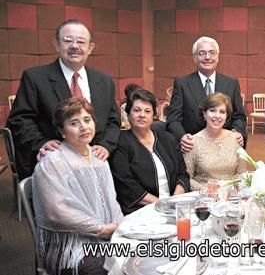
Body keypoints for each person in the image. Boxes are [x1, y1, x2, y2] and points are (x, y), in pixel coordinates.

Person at [6, 19, 120, 180]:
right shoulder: (35, 78)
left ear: (90, 48)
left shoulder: (104, 81)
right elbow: (19, 119)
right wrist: (40, 143)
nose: (74, 46)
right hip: (55, 164)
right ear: (57, 44)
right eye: (68, 40)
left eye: (81, 41)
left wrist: (105, 146)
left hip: (98, 162)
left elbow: (113, 121)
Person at [32, 98, 123, 275]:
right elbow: (57, 212)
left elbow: (111, 201)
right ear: (61, 131)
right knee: (106, 268)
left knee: (142, 254)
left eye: (87, 120)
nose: (83, 127)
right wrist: (102, 230)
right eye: (74, 123)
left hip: (107, 233)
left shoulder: (98, 156)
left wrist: (119, 227)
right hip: (68, 243)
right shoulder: (52, 161)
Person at [109, 89, 190, 214]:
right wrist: (162, 204)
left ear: (154, 115)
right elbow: (126, 184)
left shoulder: (168, 139)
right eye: (137, 110)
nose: (142, 115)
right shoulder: (121, 142)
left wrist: (173, 201)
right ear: (128, 113)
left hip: (174, 207)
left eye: (147, 111)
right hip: (141, 211)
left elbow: (183, 174)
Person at [166, 36, 247, 153]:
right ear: (194, 57)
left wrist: (237, 131)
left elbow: (239, 116)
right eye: (202, 53)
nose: (207, 57)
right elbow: (173, 119)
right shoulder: (182, 84)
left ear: (217, 57)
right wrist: (182, 137)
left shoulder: (232, 83)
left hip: (224, 147)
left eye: (212, 53)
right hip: (193, 147)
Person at [184, 93, 247, 190]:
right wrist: (206, 191)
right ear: (204, 114)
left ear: (226, 116)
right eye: (212, 111)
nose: (217, 116)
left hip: (231, 198)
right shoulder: (193, 142)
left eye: (222, 112)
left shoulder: (235, 138)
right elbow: (186, 178)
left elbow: (242, 173)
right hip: (205, 198)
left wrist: (237, 191)